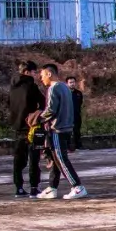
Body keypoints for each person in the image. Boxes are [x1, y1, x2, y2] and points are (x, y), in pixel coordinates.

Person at [37, 64, 87, 200]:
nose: (41, 79)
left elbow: (51, 110)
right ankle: (52, 187)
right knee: (56, 160)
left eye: (42, 75)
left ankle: (78, 187)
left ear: (49, 74)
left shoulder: (53, 88)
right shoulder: (65, 87)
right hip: (67, 128)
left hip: (57, 129)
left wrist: (38, 118)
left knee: (61, 159)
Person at [9, 60, 44, 198]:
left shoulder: (12, 86)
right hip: (31, 126)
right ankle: (34, 188)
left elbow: (9, 104)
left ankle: (19, 188)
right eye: (35, 72)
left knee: (18, 159)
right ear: (27, 72)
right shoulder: (31, 86)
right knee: (33, 158)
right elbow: (43, 102)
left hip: (17, 126)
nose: (36, 75)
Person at [65, 76, 83, 152]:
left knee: (77, 131)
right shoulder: (65, 93)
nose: (72, 84)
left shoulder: (78, 93)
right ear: (67, 83)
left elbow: (80, 103)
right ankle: (67, 147)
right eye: (70, 82)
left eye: (73, 82)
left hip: (76, 115)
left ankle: (78, 146)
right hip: (67, 116)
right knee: (67, 132)